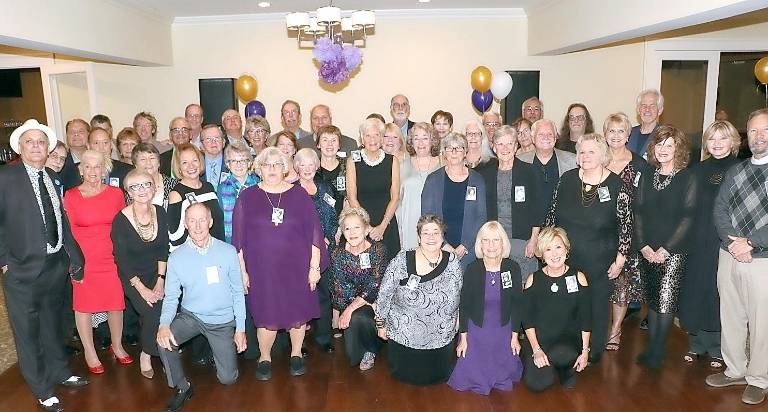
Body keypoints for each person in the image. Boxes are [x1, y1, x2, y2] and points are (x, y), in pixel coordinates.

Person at [1, 119, 89, 412]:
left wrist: (72, 257)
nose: (37, 146)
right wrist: (4, 263)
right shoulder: (6, 177)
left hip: (54, 266)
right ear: (20, 147)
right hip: (21, 271)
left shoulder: (51, 177)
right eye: (30, 142)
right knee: (28, 332)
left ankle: (60, 371)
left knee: (54, 326)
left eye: (41, 142)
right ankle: (41, 387)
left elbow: (60, 221)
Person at [232, 147, 329, 381]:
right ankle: (264, 356)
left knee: (298, 309)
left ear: (286, 168)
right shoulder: (247, 197)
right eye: (267, 164)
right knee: (266, 312)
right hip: (261, 271)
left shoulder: (299, 195)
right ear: (259, 169)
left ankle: (296, 354)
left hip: (296, 267)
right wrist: (242, 271)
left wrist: (314, 268)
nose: (272, 169)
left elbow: (315, 232)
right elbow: (238, 239)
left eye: (277, 164)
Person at [544, 133, 632, 363]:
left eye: (591, 151)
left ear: (603, 155)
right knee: (569, 302)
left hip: (601, 260)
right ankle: (570, 346)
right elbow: (552, 216)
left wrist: (620, 259)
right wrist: (548, 250)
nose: (585, 156)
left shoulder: (616, 184)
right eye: (582, 151)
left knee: (596, 305)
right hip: (567, 259)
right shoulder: (567, 179)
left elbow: (626, 224)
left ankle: (593, 351)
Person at [157, 202, 246, 412]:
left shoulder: (228, 251)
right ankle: (182, 386)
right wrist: (163, 325)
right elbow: (171, 297)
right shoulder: (176, 257)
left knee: (228, 379)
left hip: (222, 321)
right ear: (186, 224)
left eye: (202, 220)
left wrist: (240, 329)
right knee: (164, 341)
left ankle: (222, 354)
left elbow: (237, 292)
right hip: (192, 316)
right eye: (192, 221)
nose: (198, 226)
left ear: (211, 222)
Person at [706, 108, 768, 406]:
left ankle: (759, 378)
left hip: (762, 261)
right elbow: (719, 209)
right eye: (754, 130)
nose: (759, 136)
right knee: (731, 316)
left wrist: (751, 244)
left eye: (765, 130)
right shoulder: (737, 170)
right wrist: (733, 243)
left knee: (761, 323)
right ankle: (735, 369)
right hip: (729, 254)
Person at [63, 149, 132, 373]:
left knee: (115, 304)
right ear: (81, 169)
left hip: (111, 258)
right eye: (88, 166)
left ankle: (118, 345)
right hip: (84, 260)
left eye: (98, 166)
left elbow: (123, 228)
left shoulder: (116, 194)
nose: (93, 171)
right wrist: (74, 264)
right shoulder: (71, 196)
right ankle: (90, 352)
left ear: (105, 169)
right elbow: (68, 234)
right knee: (83, 306)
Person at [634, 125, 697, 369]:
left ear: (678, 149)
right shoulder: (647, 174)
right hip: (648, 250)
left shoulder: (687, 178)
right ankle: (651, 348)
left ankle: (658, 351)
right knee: (651, 299)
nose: (663, 149)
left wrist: (666, 249)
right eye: (659, 144)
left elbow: (688, 218)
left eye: (669, 145)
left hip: (674, 251)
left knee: (666, 302)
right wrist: (644, 246)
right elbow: (637, 212)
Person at [679, 121, 740, 369]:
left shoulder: (739, 169)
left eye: (722, 138)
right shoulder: (696, 170)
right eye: (712, 138)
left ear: (733, 142)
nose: (716, 143)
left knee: (718, 294)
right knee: (696, 291)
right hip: (697, 241)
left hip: (724, 243)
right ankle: (696, 344)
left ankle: (717, 347)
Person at [375, 214, 463, 385]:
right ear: (418, 237)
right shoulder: (403, 259)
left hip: (441, 338)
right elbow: (384, 294)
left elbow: (460, 295)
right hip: (404, 336)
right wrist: (381, 325)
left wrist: (458, 326)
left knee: (437, 379)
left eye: (436, 232)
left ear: (442, 237)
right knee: (404, 380)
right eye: (426, 233)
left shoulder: (452, 261)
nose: (431, 237)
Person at [448, 221, 523, 395]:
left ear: (503, 243)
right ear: (480, 244)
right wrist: (464, 338)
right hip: (477, 324)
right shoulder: (473, 269)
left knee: (505, 365)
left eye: (496, 240)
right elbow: (464, 305)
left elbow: (517, 304)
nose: (491, 245)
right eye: (486, 240)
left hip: (504, 323)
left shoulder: (512, 268)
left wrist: (515, 336)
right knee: (468, 370)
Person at [111, 169, 170, 379]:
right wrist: (143, 289)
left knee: (168, 308)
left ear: (154, 187)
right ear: (128, 192)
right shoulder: (121, 220)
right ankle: (147, 353)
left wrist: (161, 281)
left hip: (159, 273)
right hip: (133, 277)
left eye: (146, 184)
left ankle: (161, 351)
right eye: (135, 186)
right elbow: (122, 260)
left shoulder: (160, 212)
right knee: (152, 311)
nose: (142, 190)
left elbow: (164, 248)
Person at [522, 227, 591, 392]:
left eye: (558, 247)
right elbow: (527, 319)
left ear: (566, 249)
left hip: (568, 341)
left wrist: (585, 351)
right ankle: (551, 365)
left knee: (564, 355)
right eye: (548, 249)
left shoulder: (578, 277)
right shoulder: (533, 280)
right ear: (542, 254)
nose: (554, 254)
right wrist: (537, 350)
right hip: (541, 341)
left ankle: (566, 368)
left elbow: (586, 317)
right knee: (537, 384)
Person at [603, 113, 648, 352]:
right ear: (605, 134)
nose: (616, 136)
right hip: (598, 230)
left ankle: (615, 329)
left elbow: (644, 203)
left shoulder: (640, 164)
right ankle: (597, 326)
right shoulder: (597, 159)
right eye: (612, 131)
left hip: (626, 232)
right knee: (599, 282)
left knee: (622, 284)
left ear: (628, 135)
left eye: (621, 131)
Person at [477, 125, 540, 279]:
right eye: (500, 144)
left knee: (524, 283)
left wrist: (533, 240)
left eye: (509, 143)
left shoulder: (529, 171)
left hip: (522, 240)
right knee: (497, 283)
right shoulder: (484, 172)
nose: (505, 148)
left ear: (516, 146)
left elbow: (537, 207)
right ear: (494, 147)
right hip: (494, 242)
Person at [329, 207, 387, 369]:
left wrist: (351, 310)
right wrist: (352, 307)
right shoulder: (337, 254)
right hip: (352, 303)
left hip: (378, 301)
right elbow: (339, 289)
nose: (352, 232)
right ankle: (370, 340)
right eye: (347, 228)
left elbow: (376, 284)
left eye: (357, 227)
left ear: (367, 229)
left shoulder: (378, 250)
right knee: (352, 353)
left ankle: (372, 349)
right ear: (342, 232)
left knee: (358, 318)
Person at [422, 133, 487, 269]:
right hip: (439, 247)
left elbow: (481, 216)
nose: (454, 152)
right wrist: (444, 244)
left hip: (468, 250)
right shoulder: (433, 180)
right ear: (444, 152)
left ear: (465, 152)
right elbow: (427, 216)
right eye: (449, 148)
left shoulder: (477, 180)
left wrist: (465, 245)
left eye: (459, 148)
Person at [296, 147, 338, 353]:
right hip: (299, 252)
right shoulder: (291, 190)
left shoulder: (325, 187)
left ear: (317, 165)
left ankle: (324, 337)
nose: (307, 168)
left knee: (324, 294)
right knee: (301, 295)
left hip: (325, 249)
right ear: (296, 167)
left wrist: (328, 238)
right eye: (302, 164)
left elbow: (332, 216)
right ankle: (299, 341)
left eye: (311, 164)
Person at [346, 118, 401, 260]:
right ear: (362, 139)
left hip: (387, 223)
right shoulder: (353, 159)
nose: (372, 139)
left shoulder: (392, 160)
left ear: (382, 138)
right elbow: (352, 197)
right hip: (361, 225)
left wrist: (382, 226)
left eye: (377, 135)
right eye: (368, 135)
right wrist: (367, 227)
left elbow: (395, 197)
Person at [167, 143, 225, 251]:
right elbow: (174, 236)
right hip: (193, 255)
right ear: (179, 167)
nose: (191, 166)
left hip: (217, 250)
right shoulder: (176, 195)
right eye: (185, 163)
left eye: (194, 160)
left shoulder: (209, 187)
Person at [396, 122, 442, 250]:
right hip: (409, 223)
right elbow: (397, 201)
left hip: (436, 225)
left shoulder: (443, 164)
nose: (421, 143)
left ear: (432, 141)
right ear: (411, 142)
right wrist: (398, 230)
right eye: (416, 138)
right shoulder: (401, 165)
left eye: (425, 138)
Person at [517, 119, 577, 216]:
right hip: (529, 224)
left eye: (550, 134)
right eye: (541, 134)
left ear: (555, 138)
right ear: (533, 138)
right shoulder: (519, 162)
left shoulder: (572, 161)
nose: (546, 138)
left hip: (562, 225)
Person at [217, 143, 259, 244]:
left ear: (249, 163)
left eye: (243, 160)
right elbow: (221, 220)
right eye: (234, 161)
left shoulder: (259, 184)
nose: (238, 165)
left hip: (257, 238)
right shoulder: (221, 189)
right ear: (227, 164)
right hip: (231, 241)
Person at [132, 143, 178, 209]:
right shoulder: (132, 188)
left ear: (159, 163)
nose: (148, 162)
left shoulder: (173, 185)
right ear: (135, 165)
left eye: (152, 158)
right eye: (143, 159)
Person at [316, 125, 347, 216]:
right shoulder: (312, 169)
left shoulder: (347, 167)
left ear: (339, 145)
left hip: (344, 220)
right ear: (318, 144)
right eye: (325, 140)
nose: (330, 144)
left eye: (333, 140)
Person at [627, 89, 664, 158]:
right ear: (638, 110)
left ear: (660, 110)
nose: (647, 109)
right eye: (644, 105)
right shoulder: (628, 133)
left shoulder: (665, 135)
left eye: (652, 106)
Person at [59, 118, 90, 190]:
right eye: (72, 132)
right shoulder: (60, 162)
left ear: (89, 134)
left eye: (81, 131)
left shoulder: (97, 158)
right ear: (67, 136)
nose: (76, 134)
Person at [200, 124, 229, 191]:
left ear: (223, 142)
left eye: (217, 138)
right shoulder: (195, 166)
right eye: (208, 139)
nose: (213, 142)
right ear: (201, 145)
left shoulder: (232, 163)